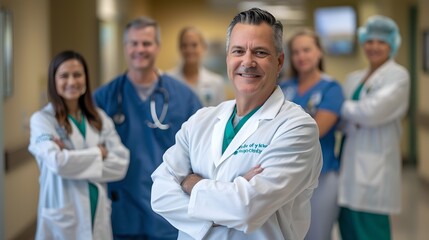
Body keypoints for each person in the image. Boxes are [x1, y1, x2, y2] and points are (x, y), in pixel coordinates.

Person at [151, 8, 322, 239]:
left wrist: (190, 183)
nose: (248, 62)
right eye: (238, 51)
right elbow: (160, 194)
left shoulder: (297, 128)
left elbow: (246, 209)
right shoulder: (201, 120)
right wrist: (233, 191)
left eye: (260, 52)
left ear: (279, 61)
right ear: (228, 58)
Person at [93, 16, 202, 240]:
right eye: (134, 43)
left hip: (169, 213)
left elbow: (202, 152)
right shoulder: (105, 97)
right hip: (122, 213)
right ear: (125, 47)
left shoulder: (184, 97)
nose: (140, 49)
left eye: (146, 43)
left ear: (158, 47)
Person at [28, 50, 129, 240]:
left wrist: (71, 158)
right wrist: (99, 153)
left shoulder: (99, 118)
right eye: (64, 76)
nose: (72, 82)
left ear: (86, 78)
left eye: (77, 75)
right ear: (53, 80)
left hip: (96, 212)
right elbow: (58, 163)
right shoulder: (42, 120)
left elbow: (121, 164)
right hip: (63, 215)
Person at [338, 15, 410, 240]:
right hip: (348, 162)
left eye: (381, 42)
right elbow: (345, 120)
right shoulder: (354, 78)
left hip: (376, 168)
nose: (374, 47)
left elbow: (372, 112)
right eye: (369, 41)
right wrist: (351, 111)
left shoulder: (398, 76)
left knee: (371, 231)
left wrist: (342, 107)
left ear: (392, 45)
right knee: (348, 227)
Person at [279, 29, 344, 240]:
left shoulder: (331, 88)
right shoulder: (283, 88)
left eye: (306, 50)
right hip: (285, 176)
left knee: (317, 235)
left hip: (321, 177)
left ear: (319, 52)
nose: (301, 56)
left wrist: (279, 135)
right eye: (296, 52)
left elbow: (315, 132)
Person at [168, 26, 226, 106]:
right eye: (184, 45)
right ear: (180, 48)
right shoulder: (168, 80)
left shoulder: (216, 83)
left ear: (203, 47)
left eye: (194, 45)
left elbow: (221, 115)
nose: (189, 50)